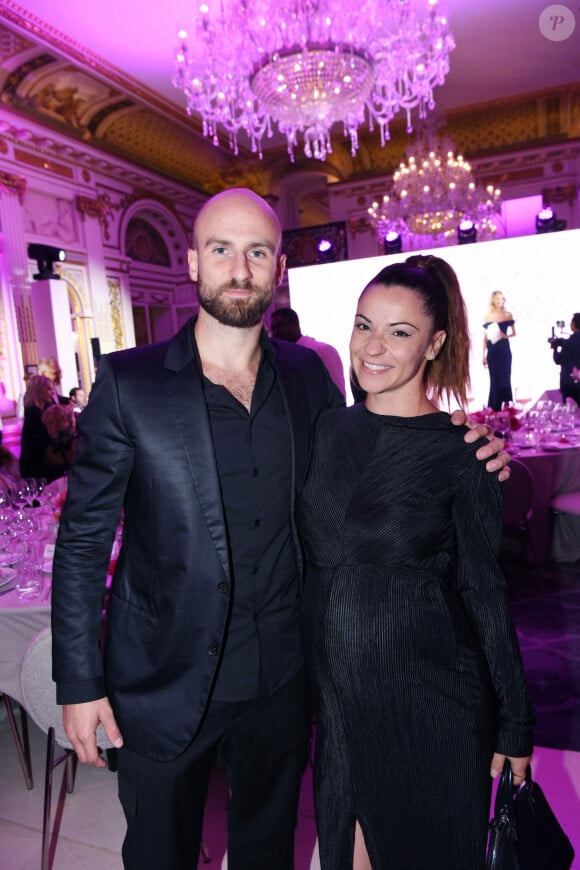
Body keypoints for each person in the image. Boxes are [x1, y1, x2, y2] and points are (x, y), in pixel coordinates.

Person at [51, 189, 510, 870]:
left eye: (256, 252)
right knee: (159, 854)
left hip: (282, 682)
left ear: (278, 266)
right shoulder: (129, 383)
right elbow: (84, 543)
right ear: (191, 263)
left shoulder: (309, 378)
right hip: (164, 680)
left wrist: (464, 444)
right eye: (221, 250)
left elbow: (377, 451)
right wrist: (79, 683)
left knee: (268, 852)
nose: (240, 268)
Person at [297, 256, 533, 870]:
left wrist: (516, 724)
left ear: (435, 343)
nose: (373, 348)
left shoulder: (464, 455)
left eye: (399, 332)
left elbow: (486, 592)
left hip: (433, 706)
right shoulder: (325, 431)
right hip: (342, 705)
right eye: (363, 325)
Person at [270, 306, 346, 397]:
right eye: (273, 328)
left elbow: (338, 393)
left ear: (295, 324)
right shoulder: (281, 358)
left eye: (281, 325)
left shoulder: (322, 350)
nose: (276, 332)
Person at [483, 291, 516, 410]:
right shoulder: (488, 316)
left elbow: (514, 333)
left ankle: (507, 407)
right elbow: (485, 338)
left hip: (504, 350)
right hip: (492, 351)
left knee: (506, 378)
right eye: (497, 299)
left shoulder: (508, 315)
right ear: (493, 300)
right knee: (494, 379)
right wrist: (484, 355)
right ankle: (494, 408)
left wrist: (505, 336)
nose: (499, 301)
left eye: (501, 299)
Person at [19, 374, 55, 478]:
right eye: (48, 389)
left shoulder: (41, 411)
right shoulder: (34, 414)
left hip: (37, 466)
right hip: (36, 469)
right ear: (37, 390)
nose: (52, 393)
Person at [42, 403, 78, 480]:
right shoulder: (51, 447)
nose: (49, 427)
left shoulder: (76, 442)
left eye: (51, 422)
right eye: (48, 423)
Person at [552, 312, 580, 406]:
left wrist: (555, 347)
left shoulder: (568, 342)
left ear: (573, 324)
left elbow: (558, 360)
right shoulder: (568, 342)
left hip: (569, 384)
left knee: (570, 414)